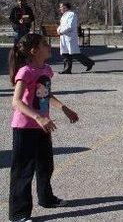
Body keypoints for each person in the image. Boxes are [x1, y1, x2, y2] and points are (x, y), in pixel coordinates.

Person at [8, 33, 79, 222]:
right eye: (44, 44)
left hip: (42, 127)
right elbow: (16, 102)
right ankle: (19, 214)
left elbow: (45, 94)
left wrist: (64, 108)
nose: (49, 46)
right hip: (25, 127)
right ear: (34, 51)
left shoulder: (46, 69)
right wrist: (38, 117)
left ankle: (46, 199)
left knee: (45, 165)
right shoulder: (25, 72)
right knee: (23, 171)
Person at [57, 2, 95, 74]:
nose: (60, 8)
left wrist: (61, 31)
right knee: (65, 53)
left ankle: (89, 63)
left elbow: (70, 26)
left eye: (61, 7)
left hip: (70, 37)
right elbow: (61, 25)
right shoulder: (64, 16)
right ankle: (67, 69)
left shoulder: (71, 14)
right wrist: (58, 30)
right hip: (64, 37)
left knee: (74, 53)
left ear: (65, 7)